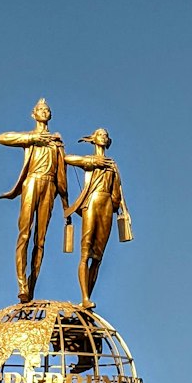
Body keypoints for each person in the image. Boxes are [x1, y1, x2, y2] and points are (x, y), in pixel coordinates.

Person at [0, 99, 69, 303]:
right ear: (33, 114)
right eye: (41, 109)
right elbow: (0, 138)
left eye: (47, 110)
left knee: (41, 239)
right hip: (32, 182)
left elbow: (62, 175)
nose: (44, 112)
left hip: (49, 186)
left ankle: (32, 286)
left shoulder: (56, 143)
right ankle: (22, 284)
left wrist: (66, 204)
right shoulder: (31, 138)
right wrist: (33, 139)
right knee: (25, 233)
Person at [64, 129, 130, 308]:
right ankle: (84, 297)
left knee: (98, 257)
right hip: (92, 202)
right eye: (100, 134)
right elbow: (66, 158)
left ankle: (87, 298)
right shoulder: (90, 161)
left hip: (107, 205)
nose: (103, 136)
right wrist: (93, 161)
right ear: (92, 140)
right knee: (85, 252)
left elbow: (118, 190)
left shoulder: (112, 164)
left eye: (106, 135)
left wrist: (122, 208)